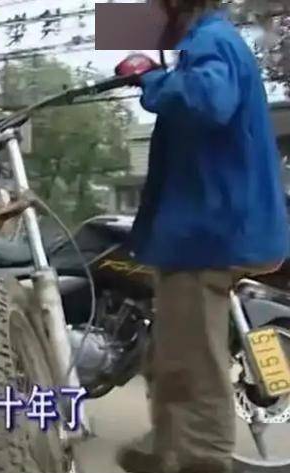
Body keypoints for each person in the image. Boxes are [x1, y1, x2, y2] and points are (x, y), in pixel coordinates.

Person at [113, 2, 289, 473]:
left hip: (208, 232)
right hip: (204, 229)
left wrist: (152, 79)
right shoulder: (213, 40)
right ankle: (166, 451)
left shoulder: (211, 40)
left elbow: (209, 101)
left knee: (193, 359)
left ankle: (202, 459)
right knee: (171, 352)